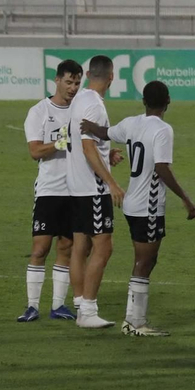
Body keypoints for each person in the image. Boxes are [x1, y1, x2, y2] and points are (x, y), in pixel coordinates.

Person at [82, 81, 195, 338]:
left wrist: (88, 126)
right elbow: (161, 168)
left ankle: (134, 320)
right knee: (144, 262)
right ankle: (135, 322)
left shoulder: (132, 123)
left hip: (132, 203)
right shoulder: (163, 130)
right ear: (168, 100)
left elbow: (106, 133)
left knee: (145, 260)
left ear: (144, 101)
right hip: (148, 206)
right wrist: (186, 198)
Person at [19, 59, 82, 322]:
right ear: (57, 80)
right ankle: (32, 306)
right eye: (69, 82)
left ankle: (58, 305)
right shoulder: (39, 111)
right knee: (40, 248)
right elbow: (35, 151)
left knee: (66, 246)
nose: (73, 88)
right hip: (48, 190)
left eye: (77, 83)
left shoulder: (81, 110)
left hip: (76, 189)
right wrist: (60, 143)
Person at [67, 55, 124, 329]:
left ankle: (80, 304)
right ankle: (88, 311)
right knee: (104, 246)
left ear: (88, 74)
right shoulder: (96, 106)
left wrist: (107, 153)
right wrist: (111, 182)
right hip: (93, 188)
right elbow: (88, 148)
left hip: (76, 185)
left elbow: (88, 143)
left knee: (81, 245)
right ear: (112, 77)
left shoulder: (79, 99)